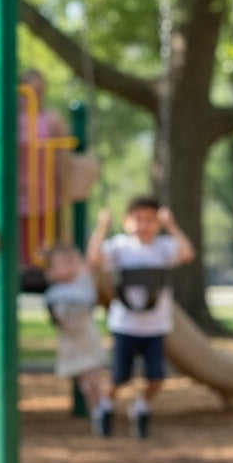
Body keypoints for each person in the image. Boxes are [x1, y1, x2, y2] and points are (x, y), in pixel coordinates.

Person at [87, 195, 195, 438]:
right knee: (119, 377)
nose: (144, 225)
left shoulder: (163, 247)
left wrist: (172, 226)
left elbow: (187, 254)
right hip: (125, 324)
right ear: (126, 222)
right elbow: (94, 258)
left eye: (150, 220)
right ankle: (104, 406)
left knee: (157, 376)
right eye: (138, 219)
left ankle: (142, 406)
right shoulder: (120, 246)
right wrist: (102, 228)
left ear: (158, 223)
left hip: (155, 325)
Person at [44, 243, 109, 435]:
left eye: (70, 262)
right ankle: (99, 408)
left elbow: (88, 265)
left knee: (93, 377)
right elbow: (59, 319)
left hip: (87, 338)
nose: (68, 267)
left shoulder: (82, 283)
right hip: (72, 341)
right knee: (86, 380)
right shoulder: (55, 293)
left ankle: (100, 408)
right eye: (61, 264)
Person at [18, 68, 69, 269]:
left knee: (45, 238)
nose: (35, 95)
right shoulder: (10, 118)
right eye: (31, 90)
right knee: (21, 239)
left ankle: (48, 270)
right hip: (18, 190)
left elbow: (62, 153)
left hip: (46, 189)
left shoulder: (51, 118)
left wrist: (63, 182)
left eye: (40, 90)